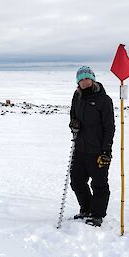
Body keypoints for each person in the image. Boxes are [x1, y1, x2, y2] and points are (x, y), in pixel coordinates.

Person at [69, 66, 115, 227]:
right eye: (80, 79)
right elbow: (73, 115)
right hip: (80, 148)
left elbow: (109, 127)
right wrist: (73, 124)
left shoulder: (104, 100)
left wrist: (106, 150)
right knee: (76, 181)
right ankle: (86, 209)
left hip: (98, 150)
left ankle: (97, 215)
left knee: (99, 184)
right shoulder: (77, 97)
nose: (84, 81)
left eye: (86, 78)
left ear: (92, 79)